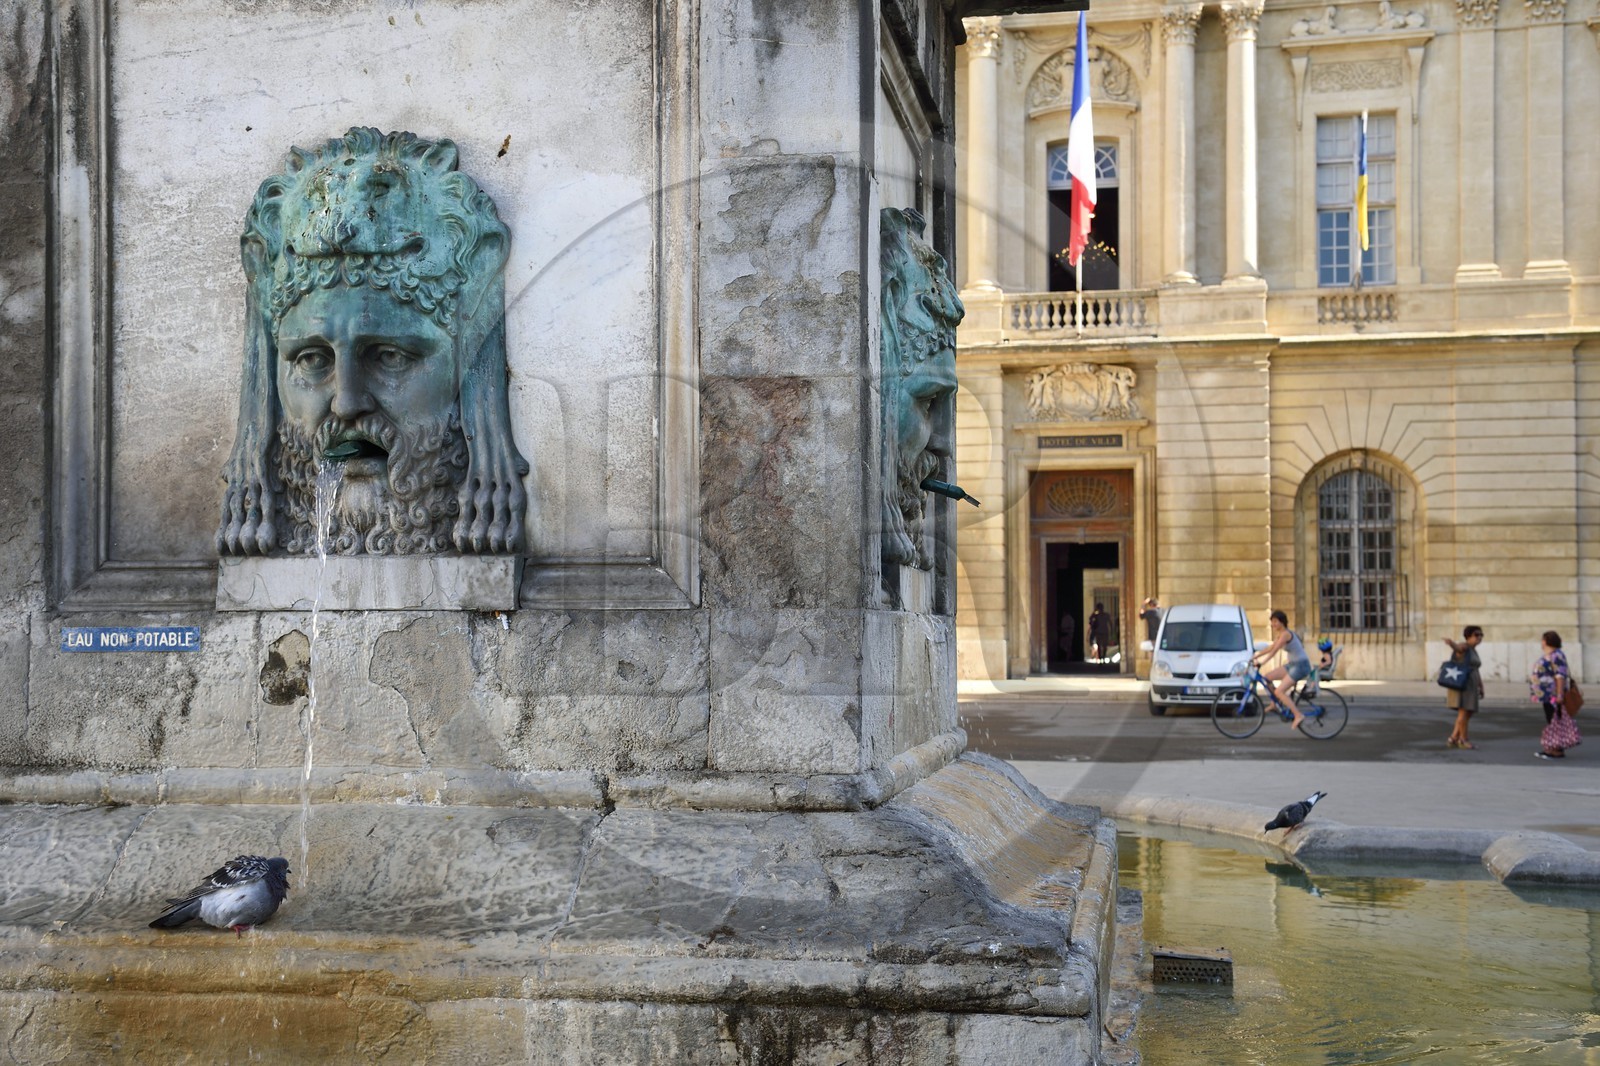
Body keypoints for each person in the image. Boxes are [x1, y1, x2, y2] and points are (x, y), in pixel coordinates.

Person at [1251, 610, 1312, 730]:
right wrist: (1255, 656)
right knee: (1267, 678)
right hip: (1292, 664)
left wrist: (1262, 662)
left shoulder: (1286, 635)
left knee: (1279, 691)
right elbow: (1270, 648)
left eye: (1275, 621)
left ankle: (1298, 715)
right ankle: (1275, 703)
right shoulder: (1280, 634)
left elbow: (1275, 651)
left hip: (1301, 666)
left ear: (1282, 622)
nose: (1273, 624)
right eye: (1272, 622)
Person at [1531, 630, 1579, 759]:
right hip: (1547, 695)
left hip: (1553, 695)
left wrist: (1559, 695)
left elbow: (1560, 676)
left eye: (1543, 640)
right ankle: (1552, 748)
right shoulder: (1551, 655)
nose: (1541, 642)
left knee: (1555, 722)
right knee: (1552, 721)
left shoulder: (1557, 655)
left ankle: (1557, 750)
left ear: (1547, 641)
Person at [1444, 625, 1485, 749]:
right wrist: (1452, 644)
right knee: (1463, 712)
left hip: (1471, 684)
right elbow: (1458, 648)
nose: (1479, 637)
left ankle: (1453, 738)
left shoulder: (1473, 650)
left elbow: (1476, 670)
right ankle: (1463, 739)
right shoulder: (1465, 647)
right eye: (1476, 635)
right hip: (1463, 684)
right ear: (1468, 636)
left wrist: (1481, 686)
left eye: (1481, 635)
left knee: (1468, 712)